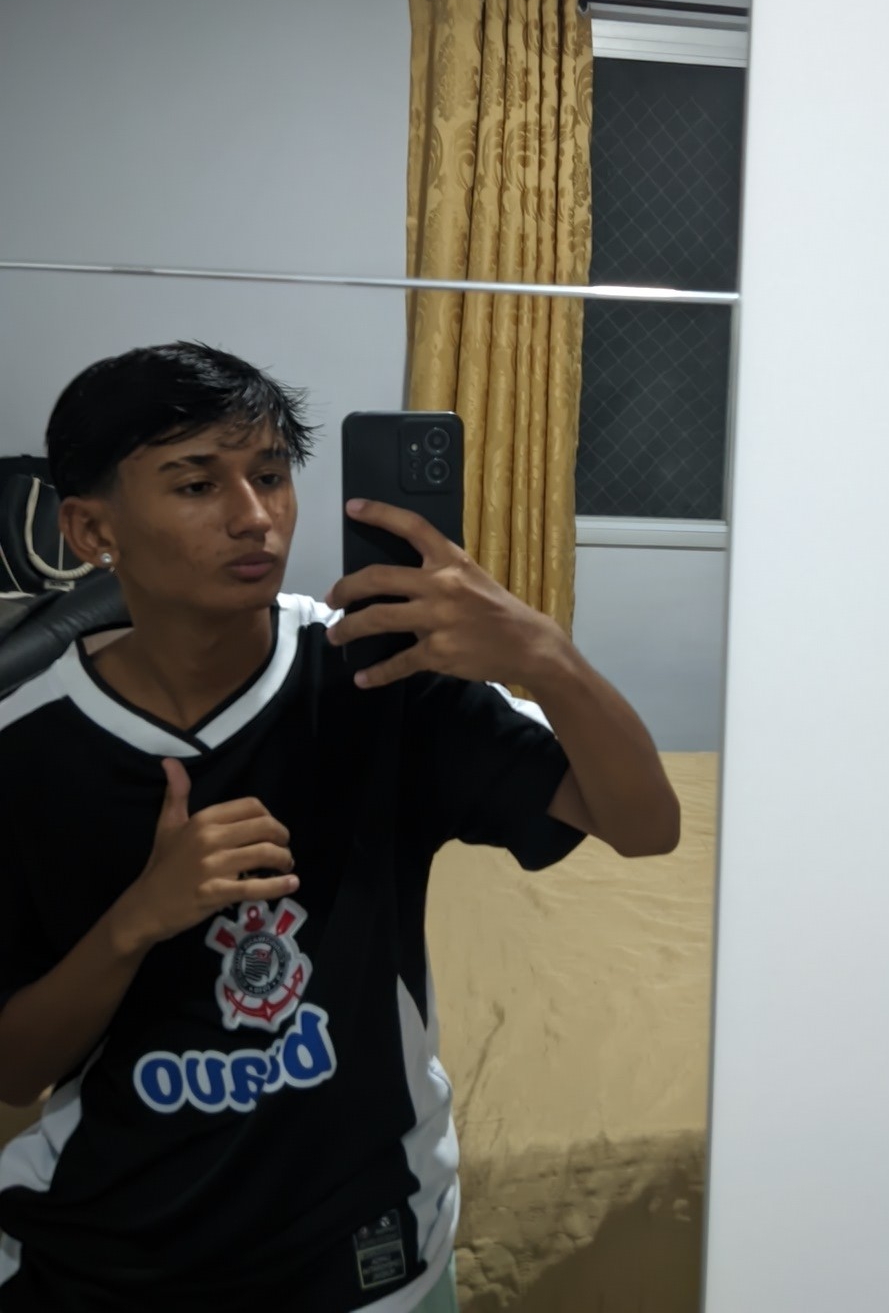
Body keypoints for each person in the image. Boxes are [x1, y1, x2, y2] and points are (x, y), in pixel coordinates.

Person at [0, 342, 679, 1313]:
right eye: (197, 484)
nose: (255, 515)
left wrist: (544, 652)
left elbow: (645, 825)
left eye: (272, 475)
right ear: (92, 529)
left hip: (369, 1246)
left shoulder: (379, 673)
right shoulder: (28, 748)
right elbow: (17, 1071)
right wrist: (137, 920)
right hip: (109, 1255)